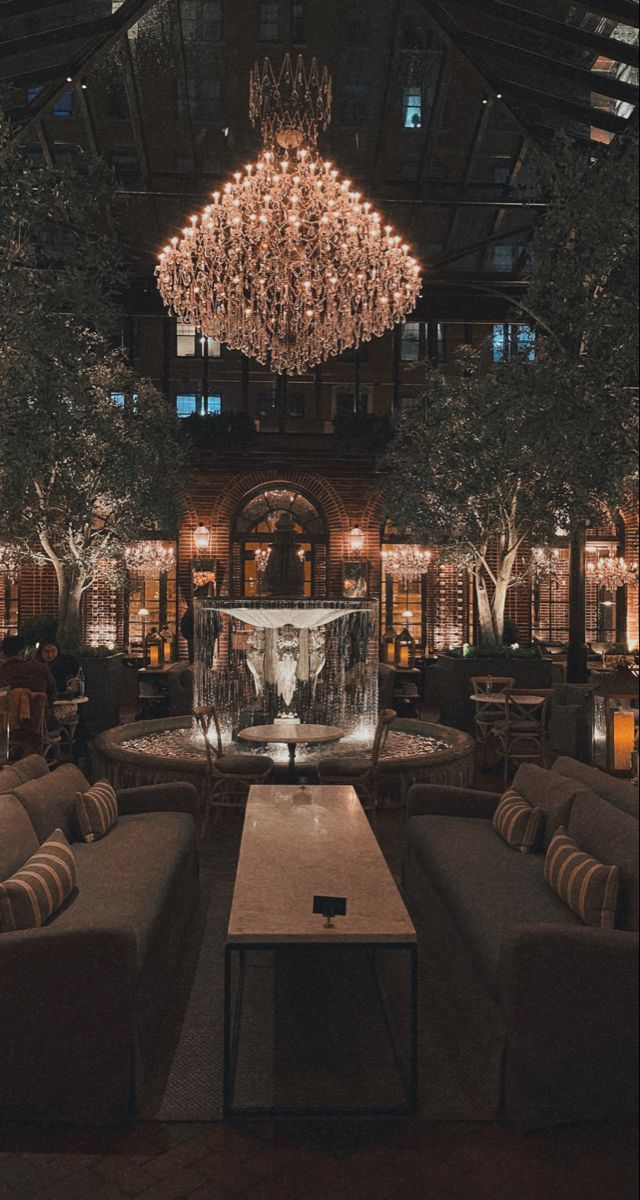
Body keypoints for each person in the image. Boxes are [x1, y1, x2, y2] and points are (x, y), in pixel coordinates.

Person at [0, 634, 60, 730]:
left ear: (3, 653)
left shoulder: (2, 672)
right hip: (40, 726)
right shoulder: (41, 668)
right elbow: (52, 695)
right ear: (23, 652)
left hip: (5, 728)